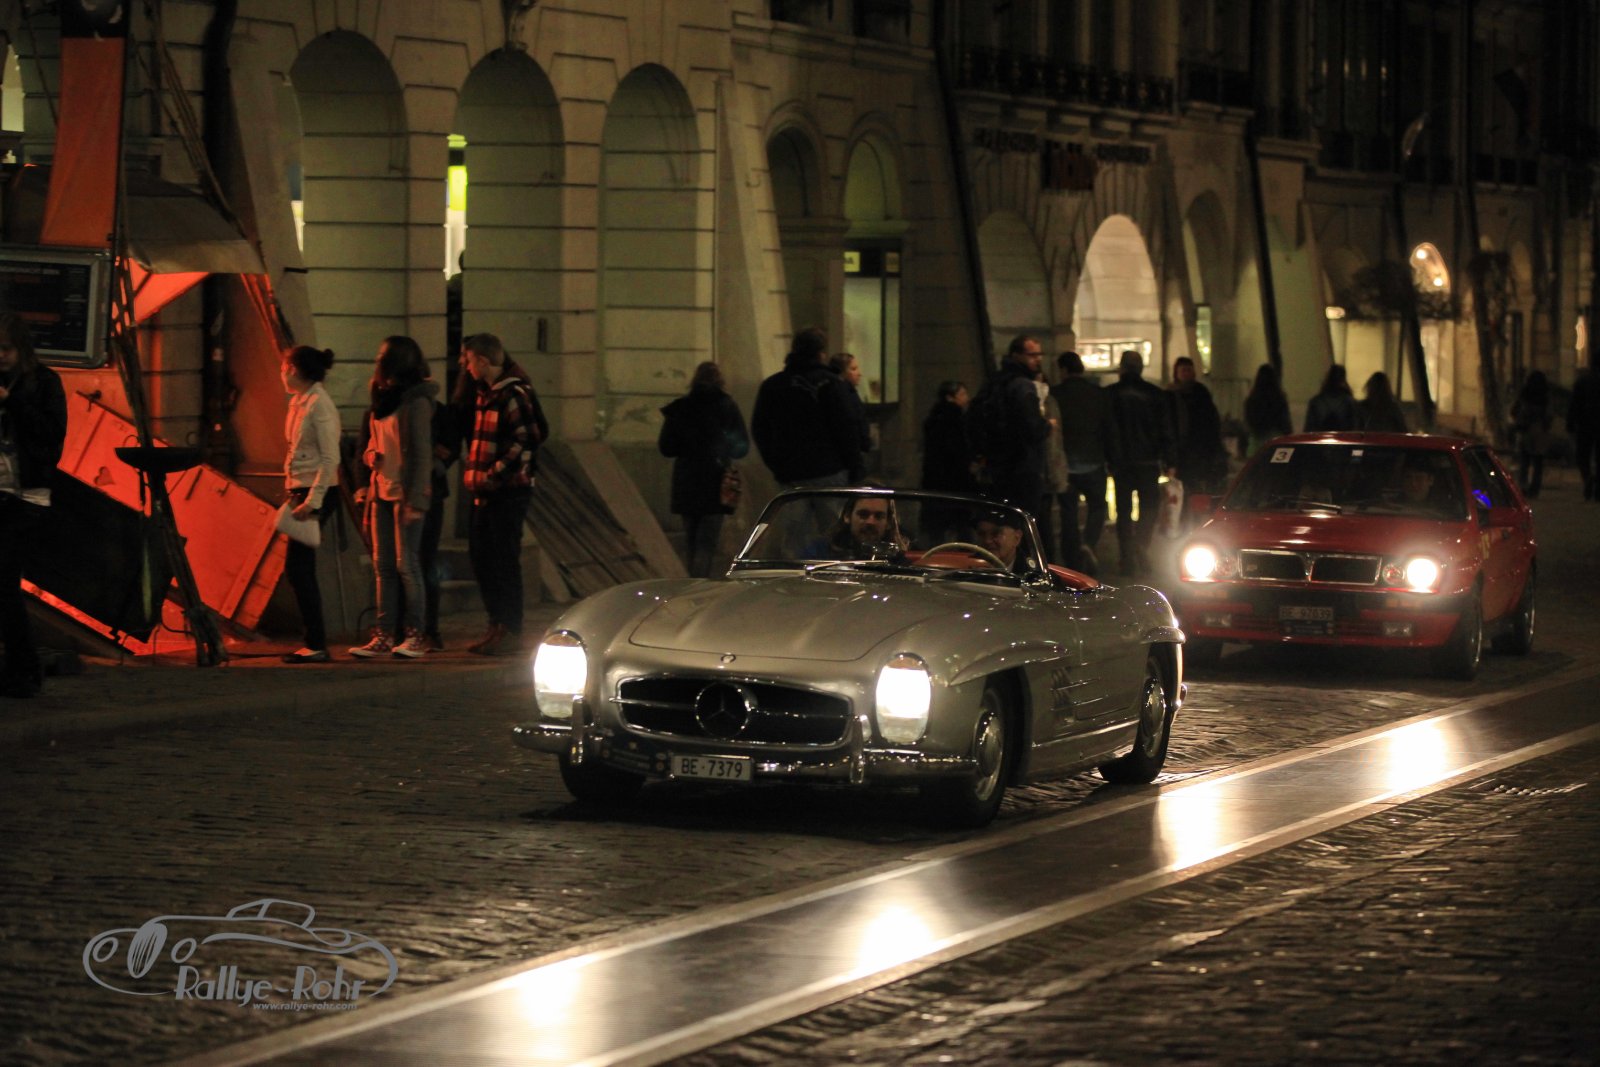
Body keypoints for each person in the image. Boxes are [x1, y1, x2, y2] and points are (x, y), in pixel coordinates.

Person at [349, 337, 438, 659]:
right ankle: (384, 634)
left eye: (381, 358)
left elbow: (421, 453)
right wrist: (371, 456)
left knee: (407, 565)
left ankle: (415, 634)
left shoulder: (415, 401)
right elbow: (375, 442)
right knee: (383, 565)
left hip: (404, 493)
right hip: (381, 490)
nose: (376, 362)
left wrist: (416, 500)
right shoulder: (382, 399)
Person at [461, 333, 547, 656]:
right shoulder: (486, 394)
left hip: (507, 491)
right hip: (484, 491)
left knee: (503, 559)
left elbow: (527, 438)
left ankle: (510, 627)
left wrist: (493, 473)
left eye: (469, 360)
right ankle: (495, 624)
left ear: (483, 361)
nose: (466, 367)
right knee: (482, 557)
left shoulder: (513, 393)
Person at [0, 313, 67, 697]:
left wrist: (13, 404)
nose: (1, 357)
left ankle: (24, 668)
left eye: (6, 349)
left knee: (4, 582)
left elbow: (50, 435)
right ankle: (19, 666)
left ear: (21, 349)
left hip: (26, 496)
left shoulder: (43, 383)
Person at [278, 344, 341, 664]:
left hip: (315, 492)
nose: (281, 374)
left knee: (299, 567)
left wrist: (313, 502)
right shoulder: (300, 402)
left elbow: (330, 458)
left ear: (293, 369)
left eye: (283, 368)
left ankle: (315, 642)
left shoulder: (319, 405)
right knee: (299, 567)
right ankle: (314, 641)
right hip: (301, 490)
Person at [658, 362, 750, 578]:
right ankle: (700, 585)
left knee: (691, 540)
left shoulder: (680, 407)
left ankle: (691, 582)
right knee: (707, 543)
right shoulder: (726, 406)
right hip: (715, 481)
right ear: (720, 381)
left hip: (686, 480)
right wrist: (723, 448)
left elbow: (666, 447)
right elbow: (741, 447)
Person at [752, 327, 864, 490]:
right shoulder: (831, 384)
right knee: (832, 507)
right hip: (830, 470)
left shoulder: (773, 385)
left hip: (790, 474)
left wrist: (776, 464)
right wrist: (855, 466)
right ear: (821, 354)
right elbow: (846, 427)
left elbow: (760, 429)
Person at [1105, 349, 1174, 576]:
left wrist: (1108, 457)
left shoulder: (1110, 394)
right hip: (1148, 461)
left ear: (1122, 368)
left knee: (1123, 511)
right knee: (1150, 507)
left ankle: (1127, 559)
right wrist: (1169, 459)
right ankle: (1141, 543)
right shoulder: (1155, 394)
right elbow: (1166, 429)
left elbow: (1105, 430)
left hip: (1121, 462)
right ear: (1141, 368)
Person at [1052, 350, 1117, 575]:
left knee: (1068, 512)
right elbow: (1108, 428)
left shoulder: (1055, 394)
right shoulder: (1098, 394)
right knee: (1098, 506)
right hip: (1094, 461)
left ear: (1063, 369)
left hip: (1066, 465)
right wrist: (1111, 459)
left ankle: (1071, 559)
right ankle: (1088, 542)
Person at [972, 334, 1050, 518]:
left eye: (1039, 354)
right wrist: (1047, 425)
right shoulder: (1022, 386)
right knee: (1023, 517)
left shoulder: (994, 382)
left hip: (998, 463)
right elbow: (1032, 427)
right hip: (1023, 464)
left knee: (1002, 517)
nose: (1038, 359)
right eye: (1032, 355)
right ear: (1016, 355)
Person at [1167, 356, 1228, 500]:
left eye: (1189, 370)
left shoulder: (1201, 392)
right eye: (1183, 370)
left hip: (1199, 448)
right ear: (1176, 373)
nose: (1186, 374)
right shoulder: (1170, 394)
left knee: (1197, 485)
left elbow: (1211, 419)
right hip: (1180, 449)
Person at [1034, 369, 1072, 564]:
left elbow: (1054, 442)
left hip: (1043, 471)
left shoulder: (1048, 402)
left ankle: (1047, 563)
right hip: (1039, 471)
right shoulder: (1045, 402)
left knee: (1044, 521)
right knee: (1041, 521)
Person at [801, 495, 907, 559]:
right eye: (863, 514)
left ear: (889, 522)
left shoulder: (898, 559)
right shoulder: (819, 553)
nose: (870, 522)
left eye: (878, 516)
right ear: (847, 516)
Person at [1512, 370, 1552, 498]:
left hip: (1526, 430)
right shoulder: (1544, 397)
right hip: (1539, 430)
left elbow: (1514, 410)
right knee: (1538, 462)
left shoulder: (1525, 394)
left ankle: (1523, 486)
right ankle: (1535, 488)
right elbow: (1548, 416)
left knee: (1525, 460)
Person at [1567, 350, 1600, 500]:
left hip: (1585, 423)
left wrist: (1571, 423)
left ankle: (1588, 478)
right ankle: (1597, 488)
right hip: (1591, 423)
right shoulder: (1583, 381)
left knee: (1583, 456)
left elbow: (1574, 404)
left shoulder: (1583, 381)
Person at [1243, 362, 1293, 454]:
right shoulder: (1279, 399)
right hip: (1277, 445)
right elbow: (1286, 425)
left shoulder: (1252, 400)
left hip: (1256, 446)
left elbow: (1248, 426)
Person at [829, 351, 872, 454]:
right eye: (853, 369)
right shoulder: (843, 395)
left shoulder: (850, 391)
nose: (859, 373)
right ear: (841, 372)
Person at [972, 508, 1033, 573]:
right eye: (981, 534)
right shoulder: (969, 569)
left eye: (995, 533)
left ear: (1017, 538)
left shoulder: (1031, 574)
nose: (987, 541)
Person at [1304, 364, 1359, 432]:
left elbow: (1309, 429)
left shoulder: (1316, 401)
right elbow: (1354, 428)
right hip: (1342, 437)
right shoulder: (1349, 402)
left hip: (1321, 436)